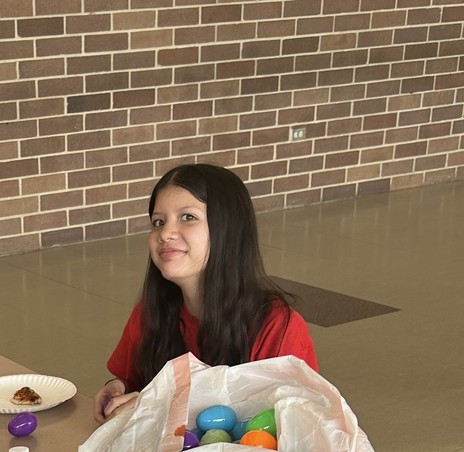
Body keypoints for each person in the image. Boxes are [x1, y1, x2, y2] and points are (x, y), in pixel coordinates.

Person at [94, 164, 318, 423]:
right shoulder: (149, 313)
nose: (165, 233)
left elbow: (293, 428)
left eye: (187, 217)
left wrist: (157, 407)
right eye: (158, 221)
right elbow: (131, 381)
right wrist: (117, 387)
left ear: (228, 229)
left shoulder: (278, 327)